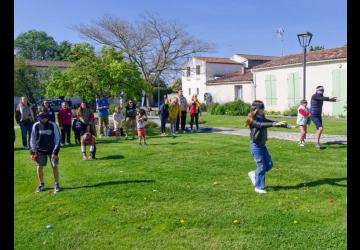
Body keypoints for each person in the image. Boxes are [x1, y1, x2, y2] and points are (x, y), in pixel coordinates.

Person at [245, 100, 290, 194]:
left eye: (263, 108)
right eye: (261, 108)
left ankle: (254, 174)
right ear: (256, 109)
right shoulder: (251, 118)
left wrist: (281, 124)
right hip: (255, 145)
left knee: (269, 165)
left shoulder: (261, 116)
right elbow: (260, 125)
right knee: (261, 166)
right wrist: (273, 124)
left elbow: (268, 122)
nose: (263, 110)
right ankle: (259, 187)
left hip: (262, 145)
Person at [30, 112, 61, 193]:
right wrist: (32, 152)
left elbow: (58, 139)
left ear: (47, 118)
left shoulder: (53, 125)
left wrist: (55, 152)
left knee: (54, 166)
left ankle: (56, 184)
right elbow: (32, 139)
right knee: (39, 167)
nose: (42, 120)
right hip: (40, 150)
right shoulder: (36, 125)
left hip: (52, 150)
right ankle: (41, 184)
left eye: (43, 118)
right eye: (40, 118)